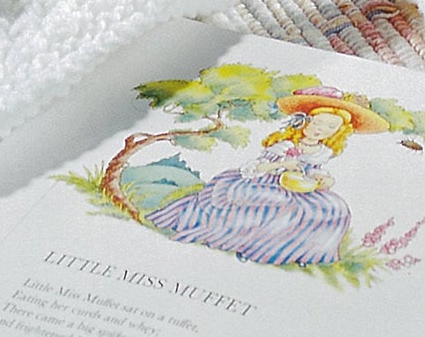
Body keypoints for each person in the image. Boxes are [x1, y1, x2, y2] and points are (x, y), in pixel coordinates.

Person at [145, 85, 389, 266]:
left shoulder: (321, 151)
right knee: (277, 204)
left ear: (337, 133)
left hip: (296, 188)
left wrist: (324, 179)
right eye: (318, 123)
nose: (320, 130)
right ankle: (250, 246)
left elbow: (311, 171)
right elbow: (254, 168)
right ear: (305, 121)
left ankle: (301, 253)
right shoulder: (283, 144)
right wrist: (282, 164)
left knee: (336, 208)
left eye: (329, 128)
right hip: (262, 181)